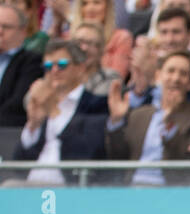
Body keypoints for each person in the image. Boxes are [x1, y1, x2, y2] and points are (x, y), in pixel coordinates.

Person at [14, 39, 108, 181]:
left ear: (80, 68)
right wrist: (33, 125)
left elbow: (87, 152)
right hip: (31, 185)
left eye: (62, 65)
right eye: (48, 66)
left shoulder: (97, 104)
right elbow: (18, 163)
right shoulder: (42, 102)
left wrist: (53, 112)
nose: (54, 71)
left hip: (71, 188)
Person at [105, 47, 190, 182]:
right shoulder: (139, 114)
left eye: (183, 74)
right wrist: (116, 121)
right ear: (158, 76)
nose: (176, 78)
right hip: (134, 189)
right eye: (170, 71)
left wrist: (172, 116)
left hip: (171, 192)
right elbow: (118, 157)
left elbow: (186, 161)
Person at [0, 2, 45, 125]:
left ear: (23, 32)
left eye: (6, 27)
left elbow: (16, 105)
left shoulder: (32, 62)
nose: (0, 31)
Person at [74, 0, 132, 76]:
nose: (90, 9)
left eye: (96, 2)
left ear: (107, 7)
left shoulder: (121, 38)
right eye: (85, 3)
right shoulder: (70, 38)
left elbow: (116, 78)